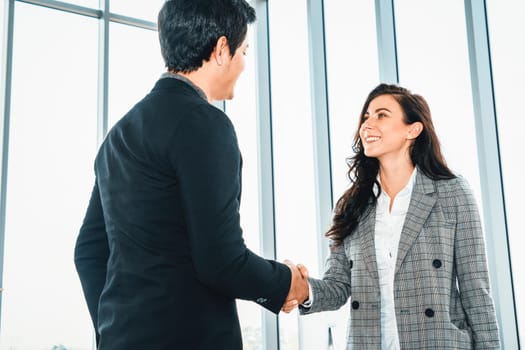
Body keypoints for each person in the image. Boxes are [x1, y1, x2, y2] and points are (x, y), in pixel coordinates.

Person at [74, 1, 308, 349]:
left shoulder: (119, 134)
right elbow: (221, 261)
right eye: (244, 51)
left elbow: (89, 252)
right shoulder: (205, 123)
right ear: (221, 50)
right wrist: (287, 282)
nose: (244, 64)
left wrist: (115, 328)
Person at [283, 83, 501, 349]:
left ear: (413, 129)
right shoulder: (351, 205)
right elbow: (338, 286)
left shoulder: (452, 192)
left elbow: (475, 290)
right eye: (366, 117)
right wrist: (301, 288)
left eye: (381, 115)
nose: (367, 124)